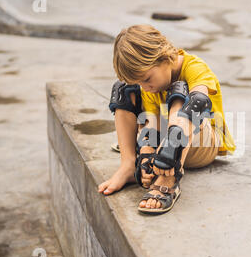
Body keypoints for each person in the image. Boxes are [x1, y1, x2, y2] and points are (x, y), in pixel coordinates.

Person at [98, 24, 236, 214]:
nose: (145, 87)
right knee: (123, 89)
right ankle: (129, 164)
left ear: (165, 58)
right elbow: (151, 121)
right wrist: (146, 154)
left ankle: (169, 178)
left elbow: (200, 101)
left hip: (203, 141)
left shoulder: (194, 67)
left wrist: (171, 144)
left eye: (146, 79)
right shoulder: (148, 85)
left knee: (183, 93)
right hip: (163, 140)